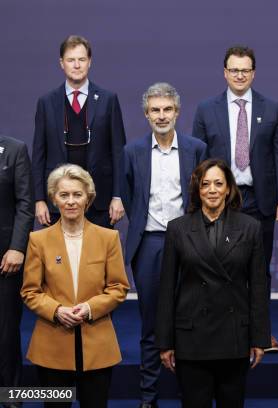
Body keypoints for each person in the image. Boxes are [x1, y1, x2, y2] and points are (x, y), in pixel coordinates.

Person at [192, 45, 278, 352]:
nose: (239, 75)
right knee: (218, 268)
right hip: (218, 201)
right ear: (225, 73)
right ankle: (222, 330)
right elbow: (199, 159)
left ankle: (262, 334)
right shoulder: (206, 109)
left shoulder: (272, 108)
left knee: (259, 270)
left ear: (253, 73)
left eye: (245, 70)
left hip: (260, 201)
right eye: (234, 70)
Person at [156, 158, 270, 408]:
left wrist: (260, 338)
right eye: (205, 184)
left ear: (229, 188)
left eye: (219, 183)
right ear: (198, 189)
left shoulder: (250, 227)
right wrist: (165, 342)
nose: (212, 190)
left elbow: (258, 288)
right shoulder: (177, 229)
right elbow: (166, 289)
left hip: (234, 338)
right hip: (191, 339)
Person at [123, 82, 207, 408]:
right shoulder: (132, 152)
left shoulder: (196, 148)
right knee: (151, 321)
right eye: (155, 110)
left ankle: (191, 392)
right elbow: (130, 197)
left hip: (189, 240)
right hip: (149, 244)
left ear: (177, 112)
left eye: (167, 109)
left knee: (190, 318)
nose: (162, 115)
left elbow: (202, 195)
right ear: (146, 114)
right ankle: (149, 396)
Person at [21, 164, 130, 408]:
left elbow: (118, 287)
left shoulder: (108, 238)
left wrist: (90, 308)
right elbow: (30, 291)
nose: (71, 201)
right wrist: (57, 310)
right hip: (52, 346)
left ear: (88, 198)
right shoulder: (38, 240)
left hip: (97, 346)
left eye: (77, 195)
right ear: (54, 199)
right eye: (64, 195)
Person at [32, 35, 126, 229]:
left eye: (82, 59)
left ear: (89, 62)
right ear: (61, 63)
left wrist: (118, 196)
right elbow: (39, 156)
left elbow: (119, 152)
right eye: (71, 60)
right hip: (57, 202)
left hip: (100, 202)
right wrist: (39, 199)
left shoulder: (108, 100)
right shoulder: (46, 102)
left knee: (97, 259)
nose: (76, 65)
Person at [0, 135, 34, 396]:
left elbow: (25, 202)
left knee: (6, 329)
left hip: (6, 258)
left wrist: (17, 247)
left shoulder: (14, 149)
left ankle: (11, 393)